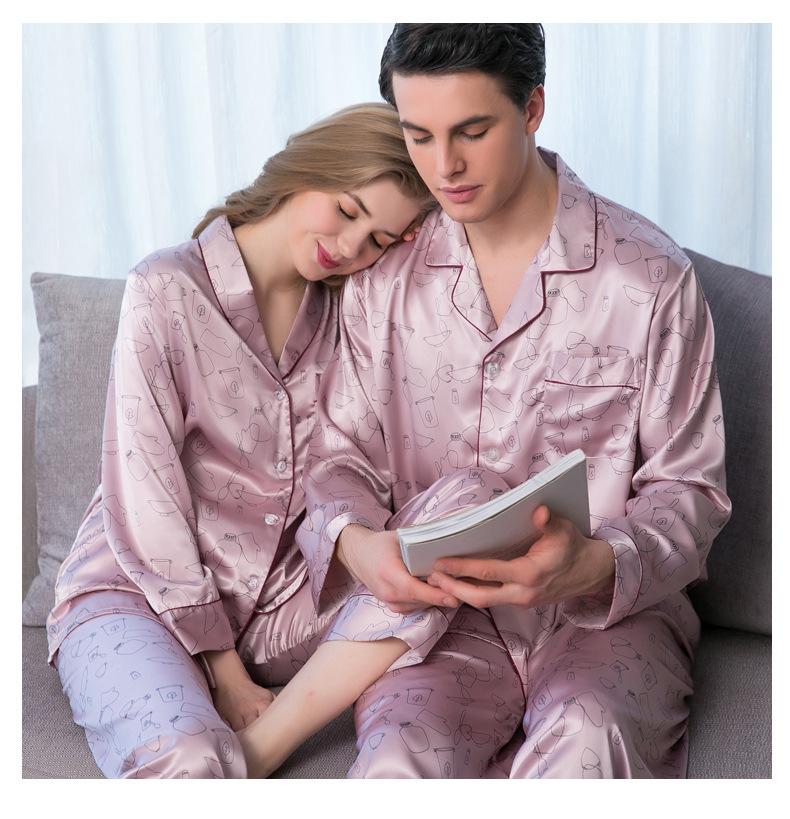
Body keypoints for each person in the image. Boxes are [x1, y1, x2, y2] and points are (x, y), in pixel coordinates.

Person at [241, 24, 731, 779]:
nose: (445, 167)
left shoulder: (651, 280)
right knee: (396, 762)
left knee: (587, 741)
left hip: (607, 618)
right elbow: (340, 455)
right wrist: (358, 544)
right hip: (436, 619)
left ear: (532, 109)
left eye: (472, 131)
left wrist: (595, 562)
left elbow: (690, 490)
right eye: (420, 136)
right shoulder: (383, 274)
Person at [45, 102, 435, 779]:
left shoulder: (350, 314)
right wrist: (226, 673)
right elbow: (146, 495)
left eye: (377, 239)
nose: (350, 247)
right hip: (137, 596)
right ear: (305, 169)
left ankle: (262, 750)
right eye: (346, 211)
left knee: (449, 537)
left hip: (280, 606)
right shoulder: (165, 289)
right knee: (191, 760)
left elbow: (356, 470)